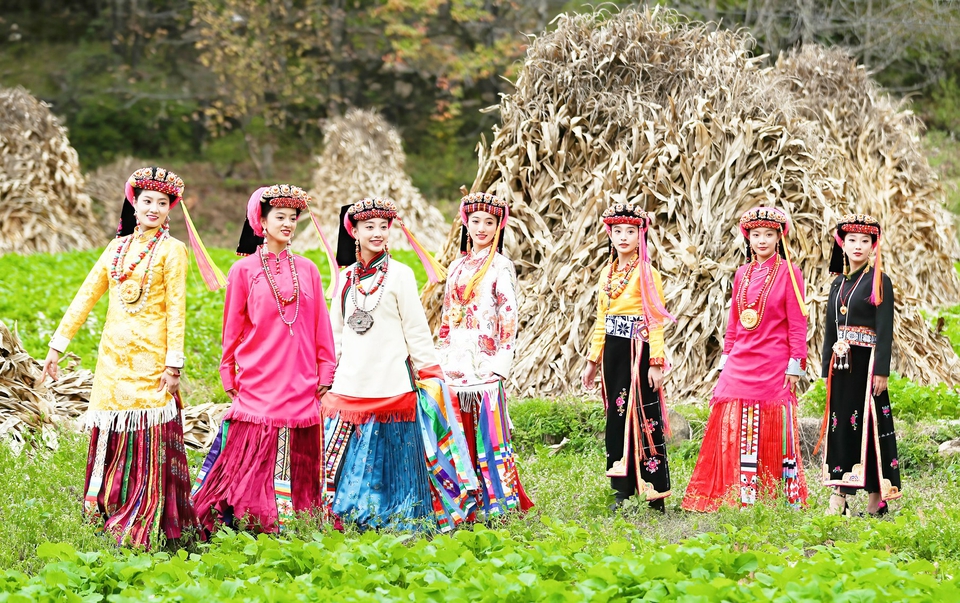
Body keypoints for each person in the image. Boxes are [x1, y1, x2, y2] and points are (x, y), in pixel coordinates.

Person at [36, 166, 225, 548]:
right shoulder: (116, 248)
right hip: (113, 358)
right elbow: (85, 297)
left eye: (162, 203)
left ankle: (145, 512)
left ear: (170, 209)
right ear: (133, 205)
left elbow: (176, 310)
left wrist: (174, 365)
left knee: (149, 435)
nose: (153, 208)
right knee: (112, 429)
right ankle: (105, 506)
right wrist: (57, 346)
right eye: (147, 201)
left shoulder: (173, 250)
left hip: (153, 361)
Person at [192, 184, 337, 533]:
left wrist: (326, 369)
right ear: (262, 221)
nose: (287, 224)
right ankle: (250, 514)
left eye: (293, 218)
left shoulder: (308, 269)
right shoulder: (243, 271)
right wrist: (227, 373)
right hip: (258, 374)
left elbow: (321, 325)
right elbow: (232, 328)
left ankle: (292, 513)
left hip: (300, 373)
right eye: (280, 217)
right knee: (252, 449)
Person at [322, 197, 474, 531]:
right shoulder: (345, 278)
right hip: (350, 382)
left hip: (391, 381)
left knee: (395, 456)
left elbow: (416, 330)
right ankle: (350, 512)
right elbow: (336, 333)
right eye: (369, 227)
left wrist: (430, 372)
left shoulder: (401, 275)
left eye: (383, 227)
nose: (377, 233)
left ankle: (397, 512)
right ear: (354, 232)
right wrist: (328, 376)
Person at [682, 206, 809, 512]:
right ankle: (732, 493)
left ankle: (769, 496)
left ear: (779, 237)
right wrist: (726, 357)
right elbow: (734, 321)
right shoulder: (742, 273)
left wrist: (796, 364)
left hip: (774, 361)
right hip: (740, 358)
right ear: (748, 238)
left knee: (771, 427)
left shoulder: (790, 273)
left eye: (768, 234)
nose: (762, 240)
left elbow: (797, 323)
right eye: (756, 235)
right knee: (729, 419)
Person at [436, 190, 533, 518]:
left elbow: (509, 314)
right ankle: (463, 499)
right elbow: (447, 313)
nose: (481, 228)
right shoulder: (456, 266)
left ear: (498, 227)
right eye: (475, 221)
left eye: (489, 222)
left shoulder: (501, 266)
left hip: (485, 361)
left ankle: (496, 502)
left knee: (486, 434)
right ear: (466, 223)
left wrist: (502, 362)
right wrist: (441, 352)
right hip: (454, 359)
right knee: (456, 430)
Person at [580, 202, 676, 512]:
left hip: (638, 351)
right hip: (614, 351)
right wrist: (592, 361)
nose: (623, 237)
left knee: (645, 417)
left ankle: (654, 491)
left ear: (640, 236)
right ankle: (620, 489)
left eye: (630, 231)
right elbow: (601, 319)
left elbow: (656, 320)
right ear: (609, 234)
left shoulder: (647, 273)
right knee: (617, 415)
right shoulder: (607, 274)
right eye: (617, 231)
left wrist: (656, 362)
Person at [817, 214, 900, 516]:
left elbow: (885, 329)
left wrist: (882, 370)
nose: (858, 246)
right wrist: (825, 368)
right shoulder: (838, 283)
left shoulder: (879, 281)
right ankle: (841, 493)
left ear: (873, 246)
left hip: (867, 366)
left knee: (869, 427)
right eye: (852, 240)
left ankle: (874, 498)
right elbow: (831, 329)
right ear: (842, 244)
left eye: (865, 241)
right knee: (842, 426)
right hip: (841, 367)